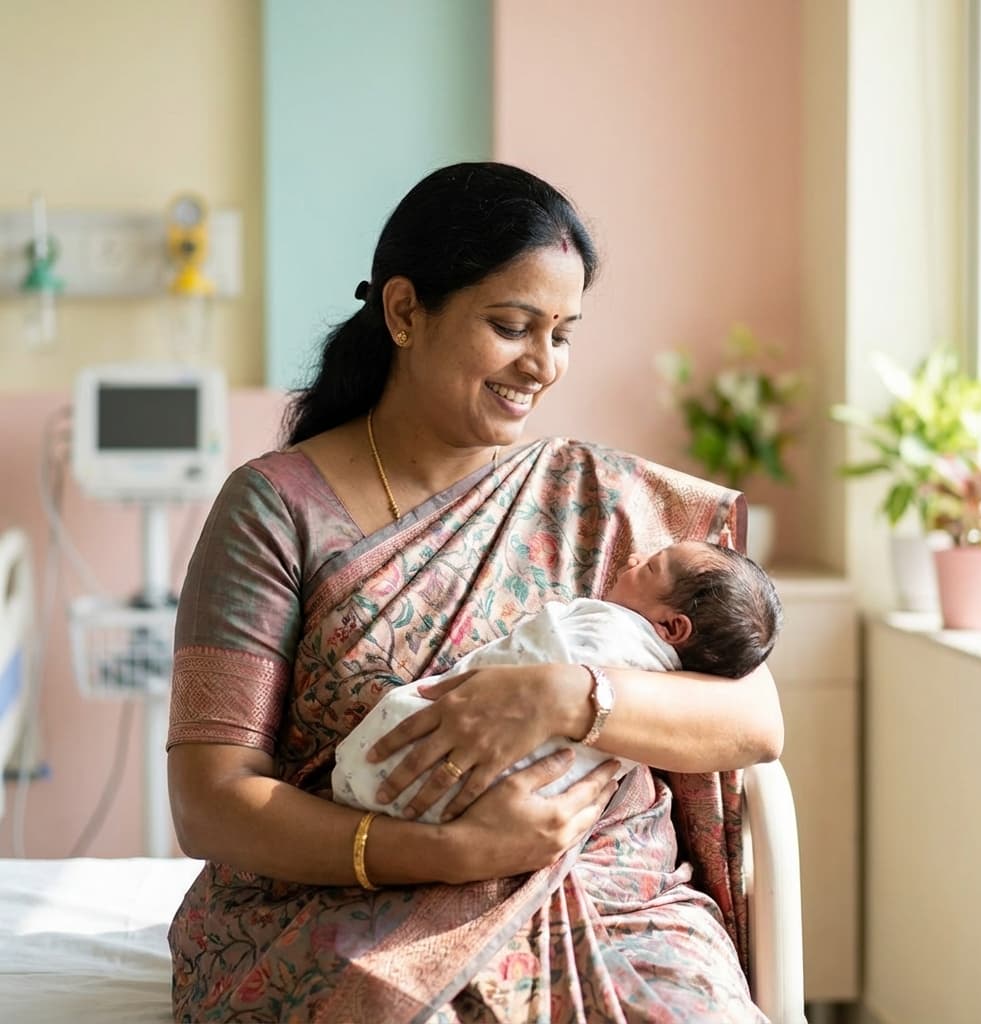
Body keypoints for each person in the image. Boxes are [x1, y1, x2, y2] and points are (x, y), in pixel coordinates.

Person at [166, 161, 783, 1022]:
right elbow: (210, 801)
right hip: (355, 910)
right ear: (404, 311)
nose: (543, 365)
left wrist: (563, 696)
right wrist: (454, 851)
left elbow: (753, 722)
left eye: (562, 334)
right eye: (511, 326)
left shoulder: (599, 503)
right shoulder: (274, 510)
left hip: (614, 909)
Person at [333, 540, 782, 824]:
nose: (633, 557)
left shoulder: (619, 634)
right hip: (433, 833)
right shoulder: (680, 660)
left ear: (671, 628)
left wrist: (560, 692)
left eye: (649, 567)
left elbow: (761, 729)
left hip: (550, 826)